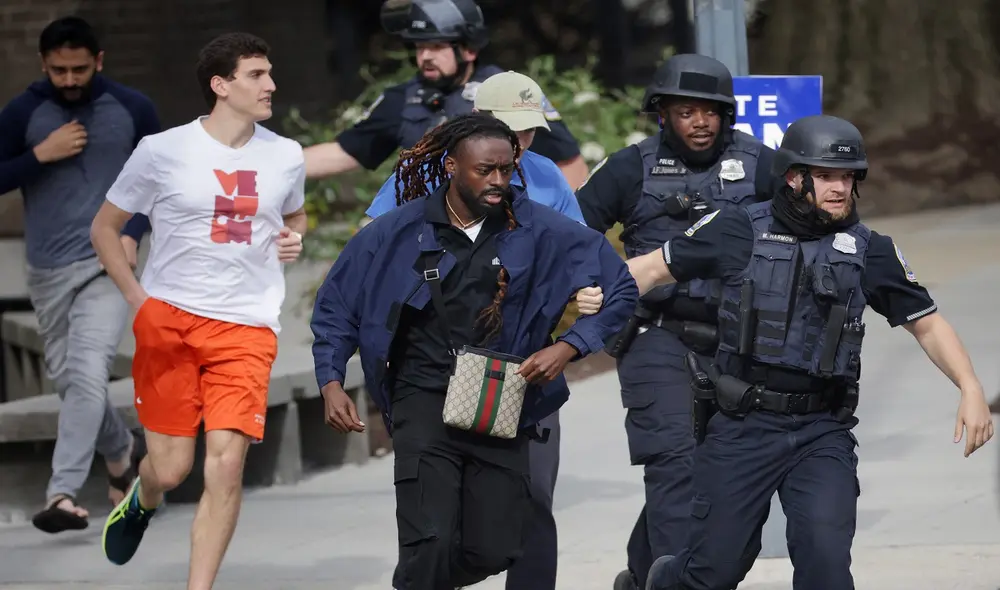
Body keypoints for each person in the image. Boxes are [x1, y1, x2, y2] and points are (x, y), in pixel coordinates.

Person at [609, 114, 994, 590]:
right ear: (794, 177)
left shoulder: (869, 250)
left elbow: (928, 324)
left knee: (826, 564)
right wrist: (592, 299)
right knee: (712, 573)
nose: (840, 188)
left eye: (849, 177)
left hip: (822, 428)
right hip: (742, 425)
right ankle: (661, 580)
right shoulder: (738, 229)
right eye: (827, 176)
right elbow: (649, 270)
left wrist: (970, 387)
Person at [309, 112, 636, 590]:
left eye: (506, 169)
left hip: (500, 396)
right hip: (421, 395)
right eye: (485, 170)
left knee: (496, 547)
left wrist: (568, 348)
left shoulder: (542, 229)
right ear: (451, 167)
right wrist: (331, 379)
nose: (498, 181)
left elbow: (622, 288)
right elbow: (337, 305)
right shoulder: (396, 232)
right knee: (431, 539)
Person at [88, 32, 307, 590]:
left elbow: (294, 217)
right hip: (171, 320)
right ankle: (144, 495)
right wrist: (139, 301)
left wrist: (293, 238)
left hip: (247, 327)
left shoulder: (285, 154)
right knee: (171, 469)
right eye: (256, 75)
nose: (271, 84)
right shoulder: (162, 150)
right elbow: (106, 228)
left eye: (269, 73)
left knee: (226, 466)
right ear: (220, 85)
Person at [363, 69, 585, 590]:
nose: (522, 141)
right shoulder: (427, 171)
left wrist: (585, 293)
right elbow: (371, 244)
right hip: (435, 362)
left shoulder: (546, 177)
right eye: (512, 128)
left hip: (521, 363)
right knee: (439, 513)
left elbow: (581, 256)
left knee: (531, 499)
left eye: (530, 130)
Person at [572, 53, 776, 590]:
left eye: (710, 111)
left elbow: (809, 225)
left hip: (737, 338)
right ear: (662, 113)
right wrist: (593, 284)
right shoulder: (628, 167)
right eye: (686, 112)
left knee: (719, 470)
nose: (700, 123)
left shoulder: (762, 165)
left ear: (727, 114)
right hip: (656, 334)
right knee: (675, 460)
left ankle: (644, 575)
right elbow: (570, 233)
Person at [0, 15, 158, 534]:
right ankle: (121, 451)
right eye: (59, 70)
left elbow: (162, 180)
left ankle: (62, 492)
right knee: (71, 381)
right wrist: (38, 156)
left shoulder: (132, 108)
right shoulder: (23, 112)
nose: (69, 80)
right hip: (47, 270)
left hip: (107, 264)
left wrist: (132, 232)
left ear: (99, 61)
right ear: (43, 64)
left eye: (80, 69)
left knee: (87, 371)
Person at [303, 0, 590, 190]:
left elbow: (570, 164)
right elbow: (345, 152)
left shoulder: (506, 91)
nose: (425, 56)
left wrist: (564, 235)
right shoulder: (402, 99)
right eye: (419, 47)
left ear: (469, 49)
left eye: (437, 46)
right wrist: (278, 161)